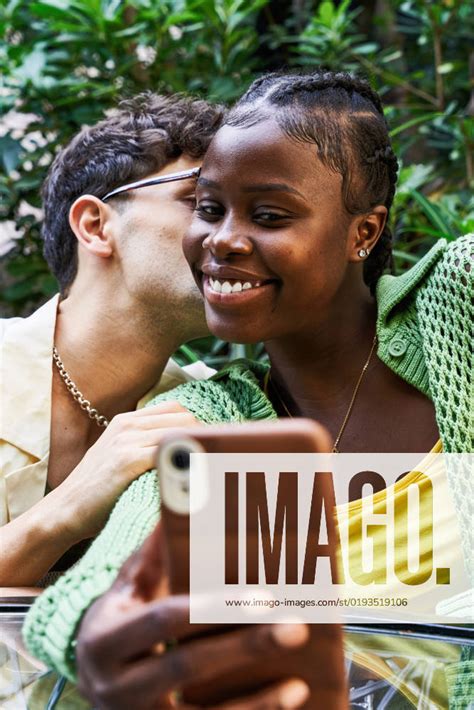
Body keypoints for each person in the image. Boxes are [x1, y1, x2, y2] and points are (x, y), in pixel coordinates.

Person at [24, 70, 473, 707]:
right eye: (208, 209)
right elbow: (117, 564)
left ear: (363, 233)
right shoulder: (208, 414)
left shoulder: (455, 307)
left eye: (269, 215)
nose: (222, 240)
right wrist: (101, 620)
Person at [0, 92, 221, 586]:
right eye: (203, 203)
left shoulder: (220, 411)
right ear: (96, 225)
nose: (232, 235)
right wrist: (71, 507)